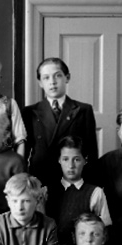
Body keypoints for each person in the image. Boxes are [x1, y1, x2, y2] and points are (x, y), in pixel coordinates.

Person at [22, 57, 98, 187]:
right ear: (40, 83)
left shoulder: (83, 110)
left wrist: (88, 186)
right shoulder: (30, 112)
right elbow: (24, 152)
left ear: (67, 78)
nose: (52, 82)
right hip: (41, 178)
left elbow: (91, 152)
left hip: (72, 179)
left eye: (57, 76)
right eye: (46, 78)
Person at [45, 135, 111, 245]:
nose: (71, 166)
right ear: (59, 160)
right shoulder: (46, 191)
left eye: (76, 159)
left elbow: (105, 230)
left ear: (85, 160)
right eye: (65, 159)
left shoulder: (95, 193)